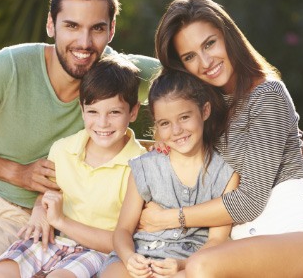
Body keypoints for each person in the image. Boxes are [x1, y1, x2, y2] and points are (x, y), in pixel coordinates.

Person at [0, 0, 159, 277]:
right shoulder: (10, 65)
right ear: (51, 25)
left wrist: (166, 147)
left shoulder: (122, 76)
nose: (85, 43)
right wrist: (16, 172)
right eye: (72, 26)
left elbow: (195, 78)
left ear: (111, 30)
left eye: (97, 28)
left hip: (14, 216)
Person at [139, 0, 303, 277]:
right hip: (241, 247)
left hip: (300, 237)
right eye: (190, 57)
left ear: (227, 35)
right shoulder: (207, 112)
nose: (206, 61)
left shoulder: (268, 94)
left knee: (200, 265)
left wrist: (168, 219)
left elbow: (249, 201)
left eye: (209, 43)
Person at [0, 55, 147, 278]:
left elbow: (121, 241)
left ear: (132, 112)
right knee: (1, 272)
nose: (103, 123)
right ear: (82, 109)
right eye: (93, 111)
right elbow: (48, 196)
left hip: (97, 251)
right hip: (53, 240)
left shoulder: (139, 166)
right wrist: (39, 211)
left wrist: (60, 221)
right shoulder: (63, 149)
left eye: (114, 112)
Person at [99, 71, 239, 278]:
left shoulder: (225, 173)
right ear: (156, 126)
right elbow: (123, 231)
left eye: (184, 117)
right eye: (165, 123)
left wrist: (183, 264)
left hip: (190, 260)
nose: (176, 130)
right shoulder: (145, 167)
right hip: (141, 253)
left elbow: (216, 241)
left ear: (205, 110)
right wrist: (129, 258)